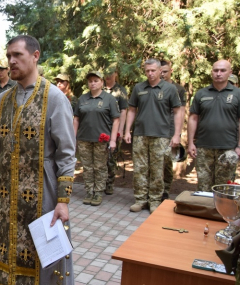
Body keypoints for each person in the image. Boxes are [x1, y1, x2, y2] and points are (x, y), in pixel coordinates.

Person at [0, 35, 76, 285]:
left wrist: (63, 201)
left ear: (35, 56)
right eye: (8, 56)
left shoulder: (54, 98)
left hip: (43, 194)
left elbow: (66, 152)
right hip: (7, 200)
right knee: (11, 257)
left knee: (45, 258)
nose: (11, 61)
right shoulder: (2, 100)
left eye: (17, 55)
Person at [124, 58, 182, 213]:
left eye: (153, 70)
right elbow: (131, 110)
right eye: (147, 71)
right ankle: (140, 199)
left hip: (161, 135)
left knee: (157, 169)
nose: (150, 74)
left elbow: (177, 111)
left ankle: (155, 200)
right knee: (140, 168)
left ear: (159, 71)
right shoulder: (138, 88)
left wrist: (177, 135)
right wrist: (127, 130)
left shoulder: (169, 89)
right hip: (140, 135)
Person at [188, 60, 240, 191]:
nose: (218, 73)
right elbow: (193, 118)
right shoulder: (201, 93)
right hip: (204, 148)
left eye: (222, 70)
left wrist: (239, 146)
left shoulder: (237, 94)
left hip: (228, 148)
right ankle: (205, 211)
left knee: (224, 188)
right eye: (216, 70)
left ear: (230, 72)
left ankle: (222, 212)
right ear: (212, 72)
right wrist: (190, 143)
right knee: (203, 187)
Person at [73, 71, 120, 206]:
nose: (92, 83)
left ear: (102, 82)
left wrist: (112, 140)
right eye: (90, 81)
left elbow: (116, 120)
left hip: (101, 139)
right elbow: (76, 119)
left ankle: (98, 192)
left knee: (99, 167)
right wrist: (73, 137)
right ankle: (89, 191)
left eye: (95, 80)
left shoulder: (109, 99)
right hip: (84, 138)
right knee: (87, 167)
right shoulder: (82, 98)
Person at [160, 60, 187, 199]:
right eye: (160, 71)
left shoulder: (178, 89)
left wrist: (177, 134)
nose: (162, 74)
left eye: (165, 71)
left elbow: (181, 112)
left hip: (170, 130)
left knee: (167, 163)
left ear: (171, 71)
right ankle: (153, 191)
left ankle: (165, 191)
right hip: (155, 130)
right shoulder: (153, 87)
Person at [103, 66, 129, 195]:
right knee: (100, 158)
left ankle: (109, 183)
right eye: (106, 73)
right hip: (101, 128)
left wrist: (121, 130)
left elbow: (123, 111)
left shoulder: (120, 91)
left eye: (111, 73)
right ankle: (100, 182)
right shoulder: (100, 88)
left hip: (114, 128)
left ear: (116, 74)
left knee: (111, 158)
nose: (108, 76)